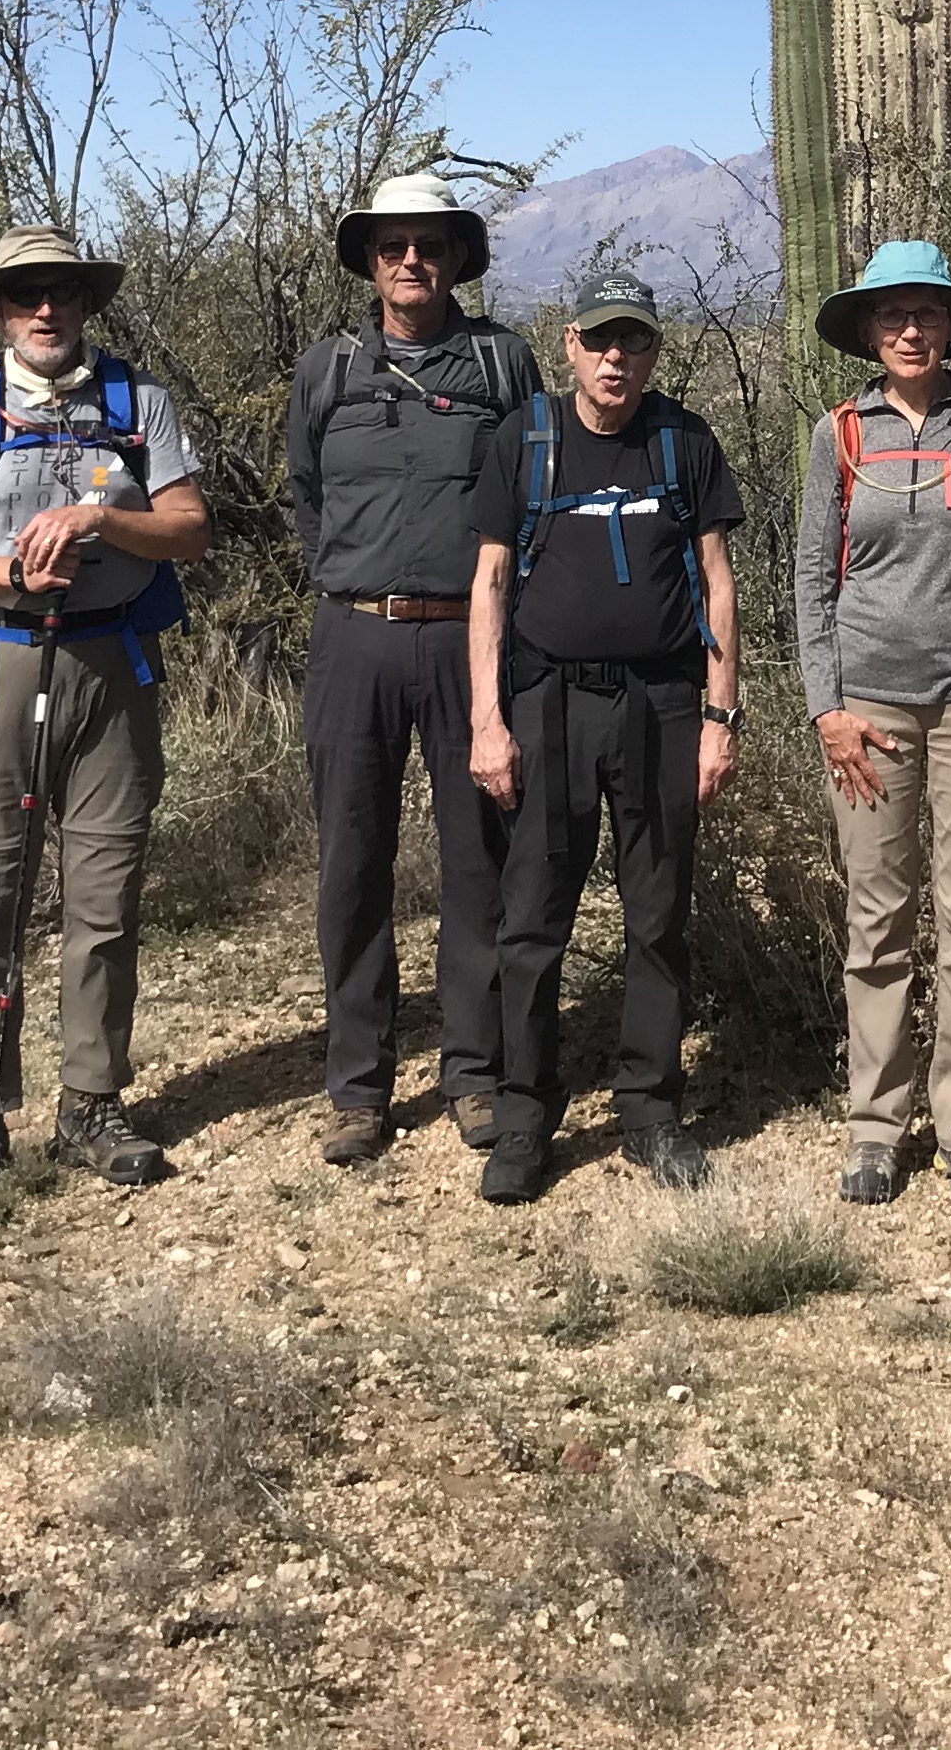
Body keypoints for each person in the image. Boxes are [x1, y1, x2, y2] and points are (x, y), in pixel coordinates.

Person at [0, 227, 214, 1208]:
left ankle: (91, 1104)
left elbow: (190, 530)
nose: (46, 310)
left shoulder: (137, 405)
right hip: (0, 664)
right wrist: (10, 573)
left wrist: (100, 518)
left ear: (85, 305)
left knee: (105, 898)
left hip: (114, 663)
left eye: (63, 293)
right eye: (27, 294)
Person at [466, 272, 745, 1204]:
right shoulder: (527, 440)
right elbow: (489, 583)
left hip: (662, 705)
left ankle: (651, 1110)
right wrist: (486, 720)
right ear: (571, 346)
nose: (615, 358)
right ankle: (524, 1115)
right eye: (599, 340)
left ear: (655, 351)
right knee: (533, 917)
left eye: (634, 341)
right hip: (549, 705)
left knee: (658, 914)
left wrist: (720, 717)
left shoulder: (682, 441)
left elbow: (717, 581)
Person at [287, 169, 542, 1167]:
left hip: (469, 638)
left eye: (429, 245)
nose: (410, 261)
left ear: (455, 259)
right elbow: (306, 495)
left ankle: (474, 1074)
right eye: (392, 245)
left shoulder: (500, 362)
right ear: (369, 259)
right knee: (352, 861)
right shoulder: (328, 369)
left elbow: (533, 488)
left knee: (479, 859)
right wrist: (352, 578)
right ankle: (358, 1087)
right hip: (353, 634)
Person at [795, 239, 951, 1213]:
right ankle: (874, 1129)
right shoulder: (840, 434)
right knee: (877, 922)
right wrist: (827, 708)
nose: (910, 330)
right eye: (893, 315)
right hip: (868, 714)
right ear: (869, 329)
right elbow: (812, 582)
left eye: (927, 313)